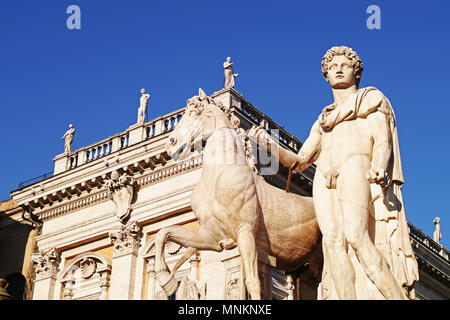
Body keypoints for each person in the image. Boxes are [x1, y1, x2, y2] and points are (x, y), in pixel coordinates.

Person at [249, 46, 418, 299]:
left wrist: (380, 166)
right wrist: (269, 144)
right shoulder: (323, 120)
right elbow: (301, 161)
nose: (338, 69)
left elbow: (382, 140)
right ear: (326, 76)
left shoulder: (370, 100)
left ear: (356, 72)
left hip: (355, 166)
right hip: (324, 176)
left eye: (344, 65)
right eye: (332, 67)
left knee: (356, 236)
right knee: (332, 244)